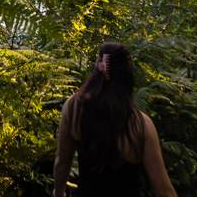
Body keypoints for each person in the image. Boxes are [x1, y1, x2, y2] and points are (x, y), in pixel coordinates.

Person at [53, 41, 177, 197]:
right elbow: (163, 189)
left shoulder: (74, 108)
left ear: (97, 69)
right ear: (127, 76)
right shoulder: (141, 124)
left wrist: (58, 193)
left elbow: (62, 163)